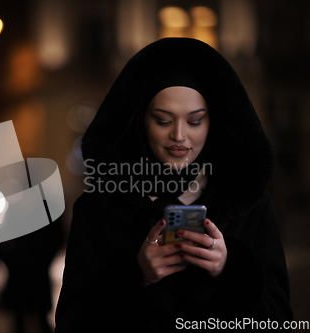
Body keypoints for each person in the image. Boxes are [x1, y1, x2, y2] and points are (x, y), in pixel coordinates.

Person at [54, 38, 293, 332]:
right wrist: (135, 276)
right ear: (141, 121)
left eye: (195, 121)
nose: (179, 135)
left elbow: (278, 323)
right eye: (163, 120)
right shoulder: (98, 209)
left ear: (212, 124)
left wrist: (229, 273)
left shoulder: (251, 206)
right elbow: (70, 325)